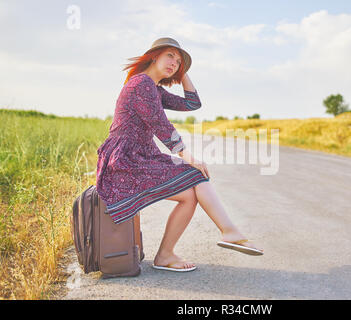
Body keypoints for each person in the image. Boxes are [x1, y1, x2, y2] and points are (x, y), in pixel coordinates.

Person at [96, 37, 263, 272]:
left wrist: (183, 72)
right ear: (154, 56)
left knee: (191, 193)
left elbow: (193, 104)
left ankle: (172, 252)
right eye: (170, 56)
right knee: (195, 174)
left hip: (142, 155)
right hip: (125, 159)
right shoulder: (141, 84)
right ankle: (228, 232)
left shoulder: (154, 88)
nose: (174, 63)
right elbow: (160, 124)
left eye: (178, 61)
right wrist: (187, 156)